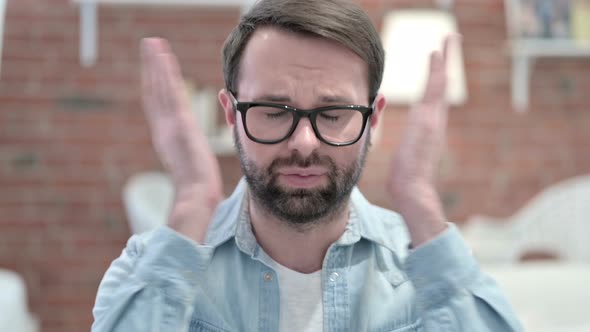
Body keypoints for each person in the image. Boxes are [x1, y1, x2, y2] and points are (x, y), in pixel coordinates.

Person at [92, 0, 523, 331]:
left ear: (373, 119)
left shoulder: (426, 270)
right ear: (231, 114)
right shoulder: (148, 268)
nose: (303, 143)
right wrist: (191, 204)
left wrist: (419, 200)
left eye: (332, 114)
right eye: (274, 111)